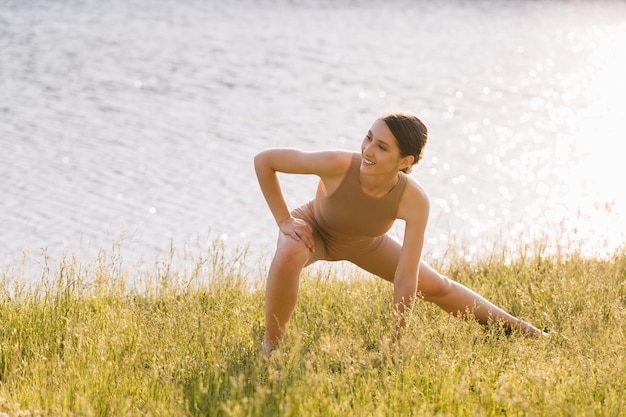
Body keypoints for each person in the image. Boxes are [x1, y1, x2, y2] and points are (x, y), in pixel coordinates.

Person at [254, 112, 546, 355]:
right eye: (369, 137)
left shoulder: (414, 200)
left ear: (404, 162)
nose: (367, 150)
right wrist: (284, 220)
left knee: (438, 287)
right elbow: (265, 161)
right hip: (315, 230)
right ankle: (272, 346)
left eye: (382, 147)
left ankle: (525, 331)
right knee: (289, 253)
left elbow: (407, 276)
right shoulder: (338, 165)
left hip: (365, 244)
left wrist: (396, 341)